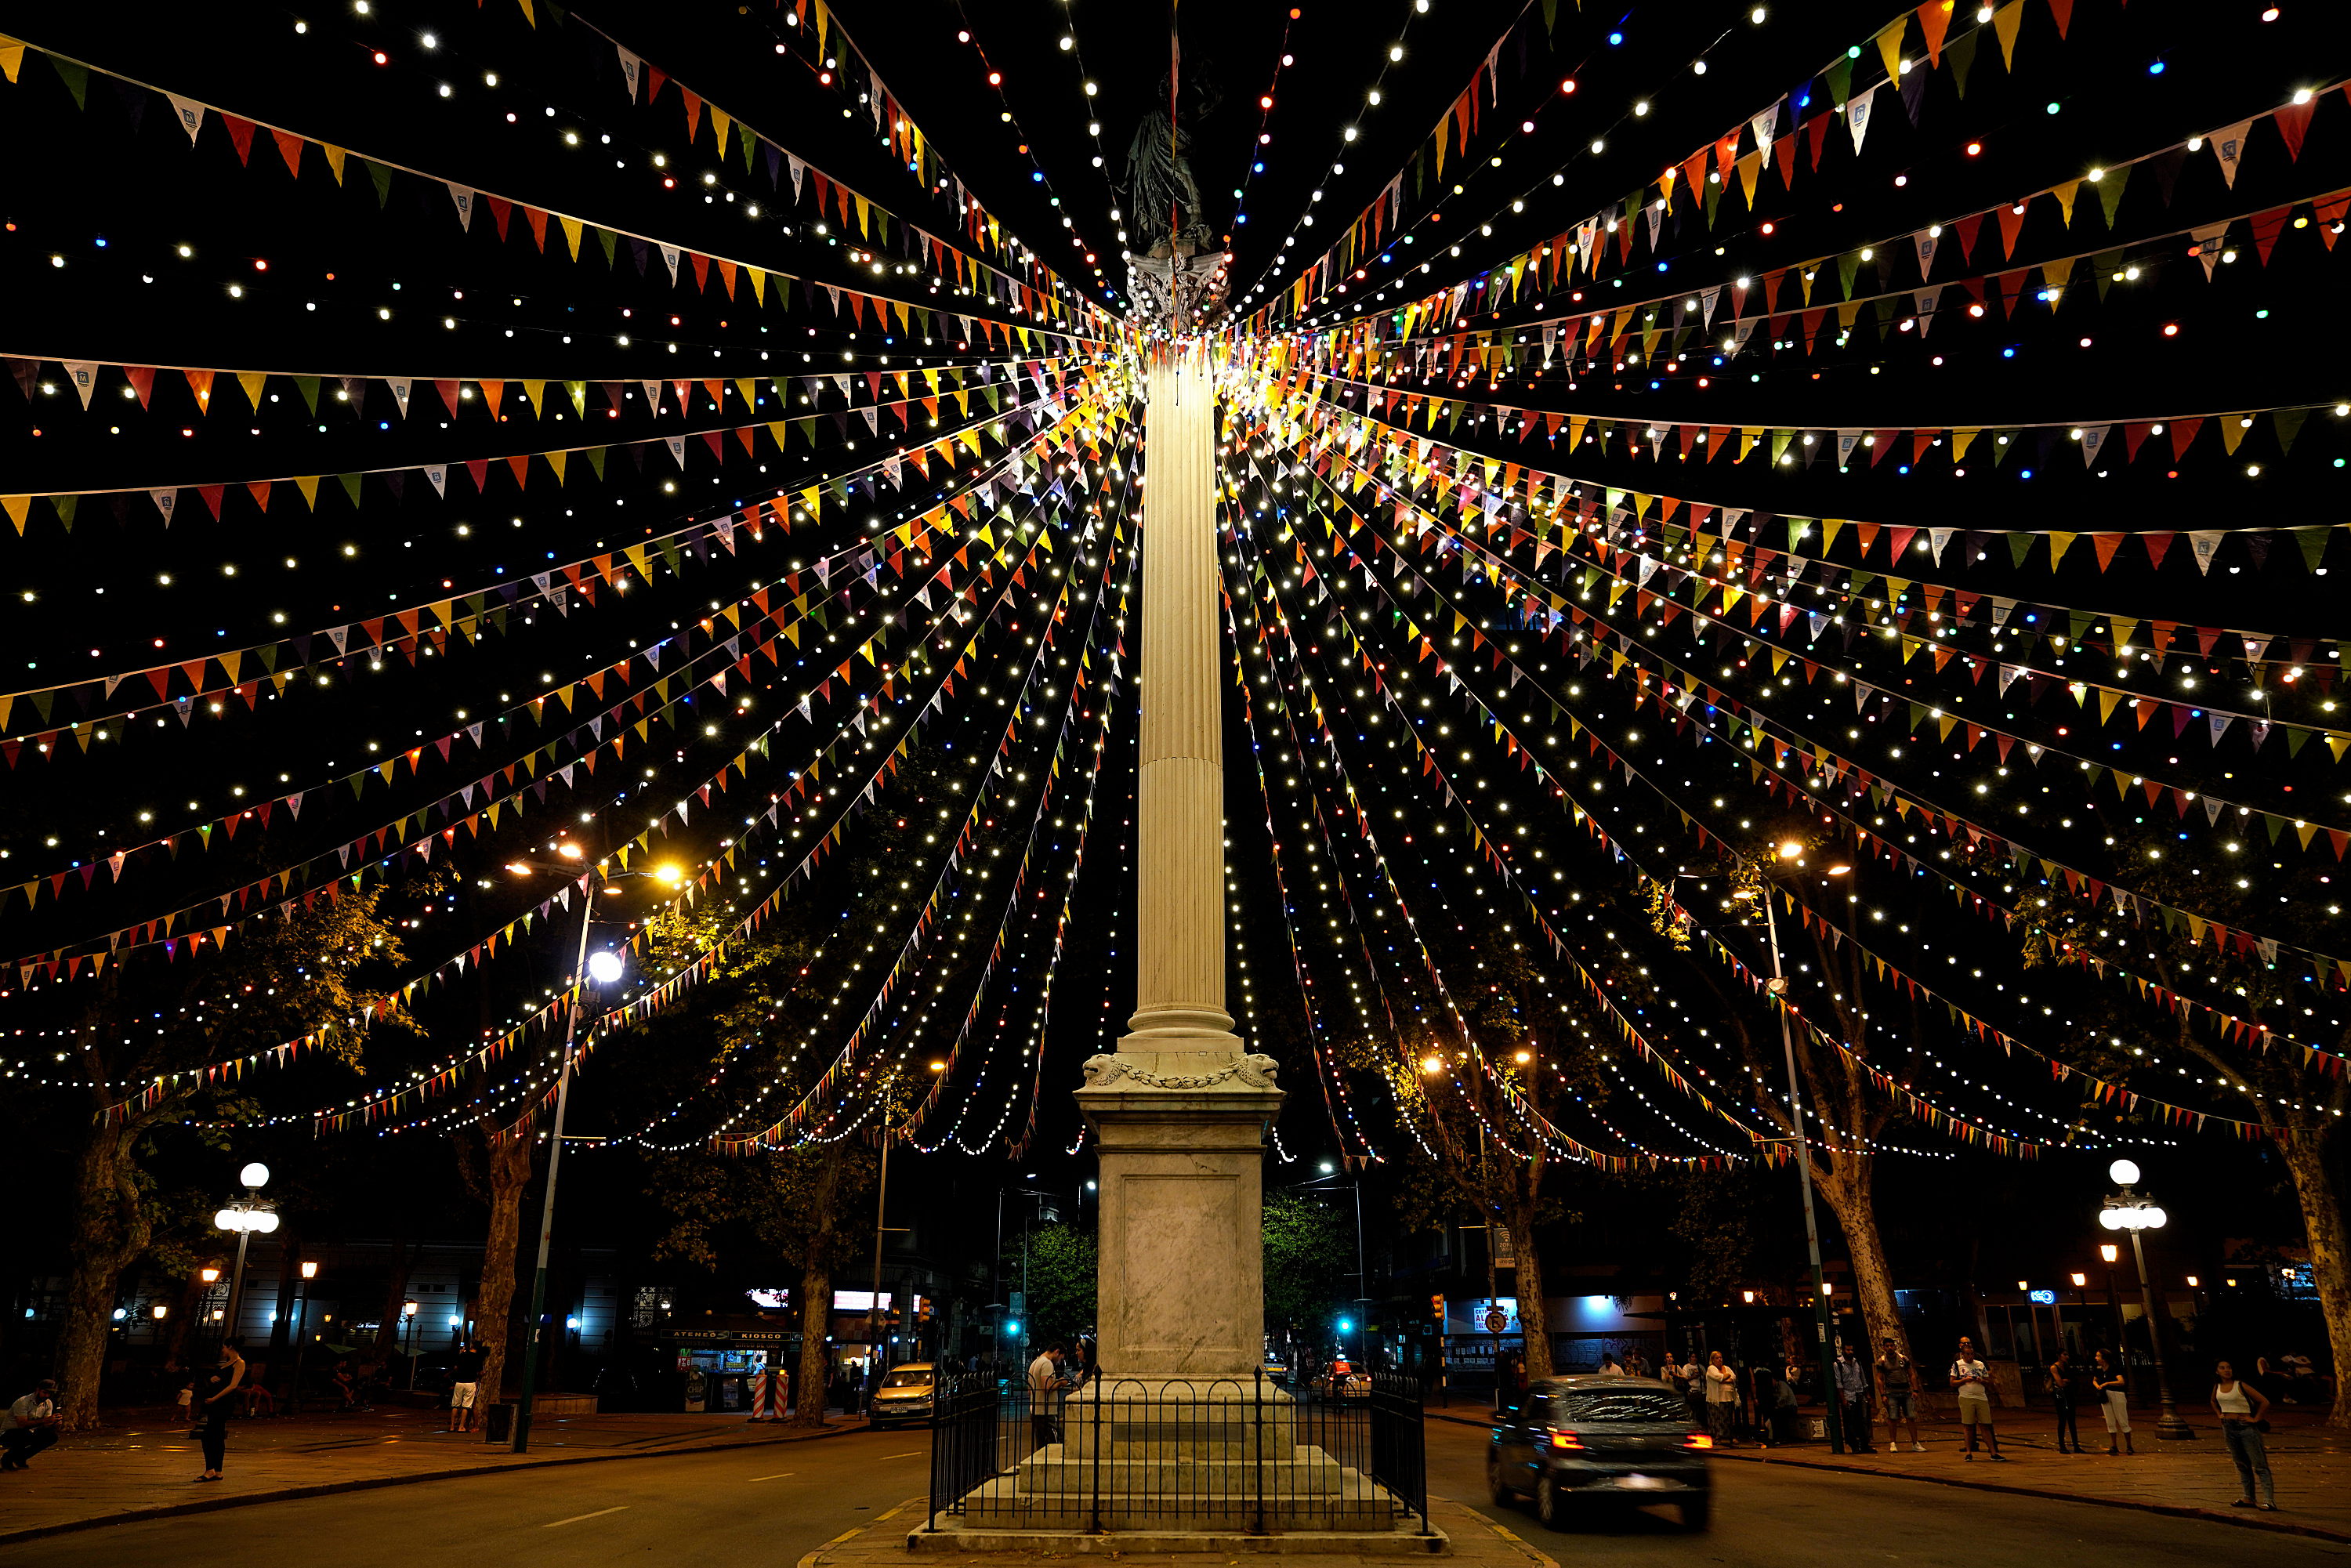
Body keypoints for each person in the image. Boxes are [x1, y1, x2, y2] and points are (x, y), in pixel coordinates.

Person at [2212, 1360, 2275, 1509]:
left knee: (2259, 1464)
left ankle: (2269, 1500)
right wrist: (2219, 1414)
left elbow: (2264, 1402)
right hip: (2228, 1427)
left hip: (2246, 1427)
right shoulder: (2217, 1387)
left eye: (2229, 1367)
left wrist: (2255, 1419)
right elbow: (2213, 1401)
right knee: (2241, 1464)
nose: (2226, 1370)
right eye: (2222, 1368)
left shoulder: (2240, 1385)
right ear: (2217, 1371)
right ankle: (2248, 1498)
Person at [194, 1340, 245, 1482]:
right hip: (216, 1403)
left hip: (223, 1403)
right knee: (216, 1435)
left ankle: (210, 1469)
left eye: (223, 1347)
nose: (222, 1350)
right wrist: (212, 1379)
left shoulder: (239, 1363)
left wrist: (214, 1398)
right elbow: (221, 1380)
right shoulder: (226, 1364)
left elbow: (233, 1385)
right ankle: (217, 1470)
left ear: (230, 1347)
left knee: (209, 1435)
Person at [1951, 1337, 2005, 1461]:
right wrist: (1964, 1380)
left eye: (1971, 1354)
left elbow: (1989, 1380)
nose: (1970, 1356)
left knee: (1985, 1425)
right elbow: (1952, 1382)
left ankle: (1993, 1452)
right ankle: (1969, 1452)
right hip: (1966, 1396)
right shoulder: (1957, 1364)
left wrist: (1982, 1381)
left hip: (1981, 1397)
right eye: (1967, 1354)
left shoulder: (1980, 1364)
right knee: (1968, 1425)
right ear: (1962, 1355)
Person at [0, 1379, 60, 1471]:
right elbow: (22, 1424)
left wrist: (55, 1423)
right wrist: (46, 1420)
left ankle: (20, 1457)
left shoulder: (48, 1403)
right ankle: (8, 1458)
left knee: (51, 1436)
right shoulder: (23, 1402)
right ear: (38, 1390)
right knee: (25, 1434)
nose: (47, 1396)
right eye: (45, 1393)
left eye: (50, 1394)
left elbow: (45, 1425)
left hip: (30, 1432)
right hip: (9, 1433)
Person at [1875, 1336, 1922, 1452]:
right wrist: (1883, 1395)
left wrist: (1915, 1390)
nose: (1890, 1348)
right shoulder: (1882, 1361)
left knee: (1910, 1417)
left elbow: (1911, 1374)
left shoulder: (1903, 1358)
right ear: (1884, 1348)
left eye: (1892, 1346)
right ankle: (1893, 1443)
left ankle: (1915, 1443)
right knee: (1893, 1418)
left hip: (1906, 1392)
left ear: (1895, 1346)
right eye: (1887, 1346)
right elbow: (1880, 1379)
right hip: (1891, 1393)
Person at [1027, 1342, 1068, 1451]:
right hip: (1046, 1412)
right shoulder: (1047, 1364)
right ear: (1057, 1352)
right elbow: (1047, 1386)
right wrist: (1060, 1382)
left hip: (1036, 1410)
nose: (1059, 1362)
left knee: (1041, 1447)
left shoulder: (1035, 1363)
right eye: (1060, 1359)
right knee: (1054, 1446)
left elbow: (1029, 1391)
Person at [2091, 1349, 2133, 1454]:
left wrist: (2107, 1384)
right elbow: (2095, 1380)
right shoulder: (2099, 1368)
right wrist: (2097, 1386)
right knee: (2110, 1420)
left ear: (2104, 1358)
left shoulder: (2114, 1367)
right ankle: (2114, 1445)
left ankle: (2129, 1445)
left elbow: (2121, 1381)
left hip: (2117, 1394)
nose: (2096, 1358)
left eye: (2098, 1356)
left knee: (2122, 1419)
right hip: (2105, 1395)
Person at [1833, 1342, 1874, 1452]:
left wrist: (1867, 1395)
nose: (1850, 1352)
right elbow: (1839, 1384)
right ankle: (1854, 1445)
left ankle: (1865, 1444)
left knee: (1863, 1421)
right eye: (1848, 1350)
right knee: (1850, 1422)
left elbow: (1863, 1379)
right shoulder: (1838, 1365)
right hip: (1849, 1395)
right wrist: (1843, 1399)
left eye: (1851, 1350)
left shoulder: (1857, 1363)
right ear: (1843, 1350)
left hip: (1859, 1394)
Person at [2047, 1349, 2085, 1454]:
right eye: (2064, 1355)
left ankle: (2076, 1445)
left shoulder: (2067, 1366)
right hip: (2060, 1396)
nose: (2067, 1357)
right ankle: (2062, 1446)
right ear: (2059, 1356)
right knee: (2062, 1420)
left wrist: (2067, 1381)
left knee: (2072, 1420)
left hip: (2069, 1394)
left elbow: (2073, 1380)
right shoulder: (2054, 1367)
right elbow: (2060, 1383)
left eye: (2067, 1354)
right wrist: (2065, 1381)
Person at [1704, 1351, 1740, 1447]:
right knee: (1718, 1419)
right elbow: (1718, 1377)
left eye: (1721, 1357)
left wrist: (1725, 1379)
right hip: (1718, 1399)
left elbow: (1733, 1377)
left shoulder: (1727, 1368)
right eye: (1717, 1358)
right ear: (1712, 1360)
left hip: (1729, 1398)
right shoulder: (1711, 1369)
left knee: (1729, 1419)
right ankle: (1718, 1437)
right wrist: (1724, 1377)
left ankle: (1730, 1436)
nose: (1720, 1359)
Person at [447, 1341, 484, 1432]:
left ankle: (452, 1426)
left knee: (455, 1405)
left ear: (471, 1346)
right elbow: (481, 1372)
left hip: (459, 1382)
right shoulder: (478, 1358)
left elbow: (456, 1367)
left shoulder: (462, 1355)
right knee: (466, 1406)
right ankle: (461, 1426)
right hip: (470, 1382)